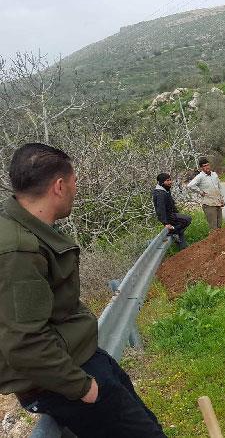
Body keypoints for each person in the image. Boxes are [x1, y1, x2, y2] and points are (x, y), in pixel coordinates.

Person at [0, 143, 167, 437]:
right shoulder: (19, 250)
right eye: (75, 182)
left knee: (148, 425)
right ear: (59, 186)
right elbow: (24, 342)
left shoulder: (31, 229)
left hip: (82, 358)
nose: (77, 190)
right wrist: (81, 387)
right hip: (62, 380)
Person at [152, 173, 192, 250]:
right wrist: (165, 223)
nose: (170, 182)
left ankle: (183, 247)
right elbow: (160, 209)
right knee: (187, 219)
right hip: (168, 217)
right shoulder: (160, 193)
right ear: (161, 182)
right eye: (167, 180)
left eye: (170, 179)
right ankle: (173, 231)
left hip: (172, 214)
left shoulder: (165, 190)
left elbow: (171, 204)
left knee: (183, 224)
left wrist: (177, 213)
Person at [186, 157, 224, 230]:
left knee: (219, 227)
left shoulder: (214, 174)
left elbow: (219, 187)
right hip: (208, 204)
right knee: (214, 228)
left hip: (217, 202)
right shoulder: (200, 176)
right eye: (204, 166)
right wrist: (200, 192)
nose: (207, 167)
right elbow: (190, 186)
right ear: (201, 168)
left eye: (208, 165)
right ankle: (212, 241)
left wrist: (222, 199)